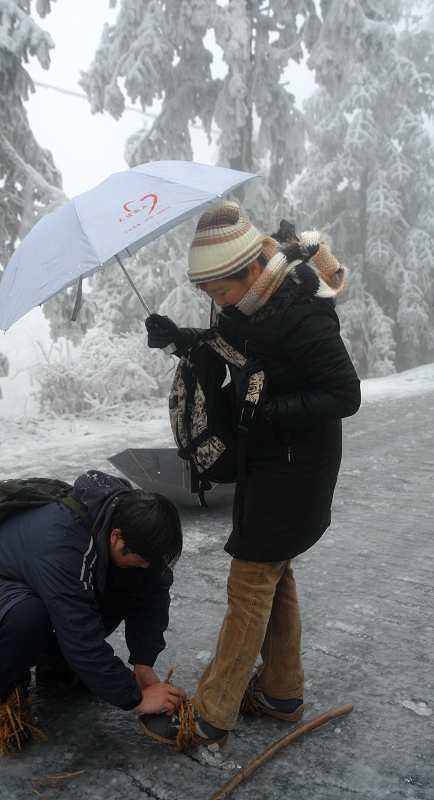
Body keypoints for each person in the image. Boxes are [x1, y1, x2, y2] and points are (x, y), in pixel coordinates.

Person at [140, 201, 361, 748]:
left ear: (250, 271)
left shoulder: (300, 311)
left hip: (296, 468)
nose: (217, 304)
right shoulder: (253, 304)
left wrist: (272, 412)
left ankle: (211, 714)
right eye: (209, 296)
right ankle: (282, 692)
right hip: (269, 464)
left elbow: (345, 394)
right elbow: (235, 346)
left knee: (249, 584)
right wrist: (180, 339)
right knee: (272, 574)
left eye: (220, 293)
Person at [0, 470, 186, 751]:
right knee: (27, 616)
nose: (146, 564)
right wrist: (136, 698)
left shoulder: (126, 524)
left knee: (130, 576)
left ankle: (57, 667)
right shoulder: (62, 544)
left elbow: (151, 593)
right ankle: (3, 698)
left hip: (46, 587)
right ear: (117, 537)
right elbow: (80, 634)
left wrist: (143, 663)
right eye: (142, 558)